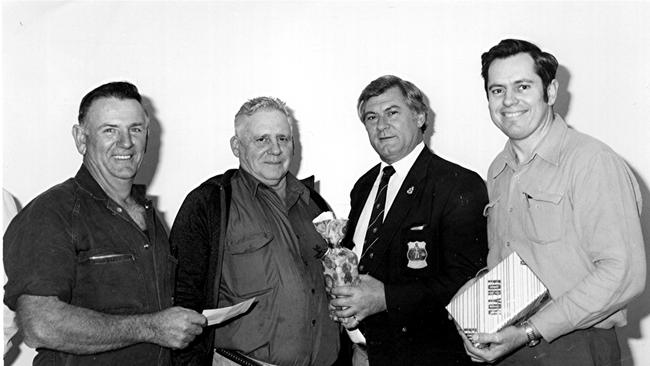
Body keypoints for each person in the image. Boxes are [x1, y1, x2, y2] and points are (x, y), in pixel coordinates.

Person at [459, 39, 646, 365]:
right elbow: (518, 263)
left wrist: (532, 329)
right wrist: (472, 300)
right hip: (511, 345)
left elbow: (624, 273)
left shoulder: (591, 161)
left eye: (523, 86)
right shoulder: (497, 170)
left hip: (576, 346)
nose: (509, 101)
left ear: (551, 91)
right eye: (497, 90)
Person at [3, 82, 207, 366]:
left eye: (135, 129)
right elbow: (41, 325)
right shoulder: (51, 212)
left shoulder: (146, 213)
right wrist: (152, 328)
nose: (125, 142)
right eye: (109, 130)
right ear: (81, 139)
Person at [329, 75, 489, 366]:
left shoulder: (458, 184)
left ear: (419, 116)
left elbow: (467, 282)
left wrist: (386, 298)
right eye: (371, 117)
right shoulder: (363, 186)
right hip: (362, 355)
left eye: (392, 113)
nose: (381, 125)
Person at [171, 97, 340, 366]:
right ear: (237, 146)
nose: (275, 149)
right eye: (262, 139)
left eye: (283, 139)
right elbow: (182, 301)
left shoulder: (314, 206)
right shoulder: (209, 204)